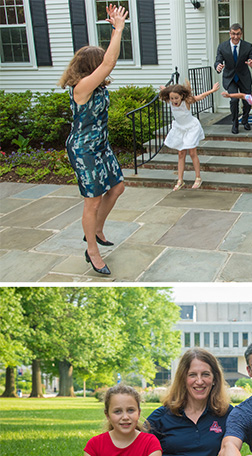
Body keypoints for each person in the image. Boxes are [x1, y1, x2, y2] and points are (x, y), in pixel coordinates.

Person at [57, 4, 129, 276]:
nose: (105, 66)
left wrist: (113, 29)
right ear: (91, 67)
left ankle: (97, 229)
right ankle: (92, 250)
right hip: (83, 149)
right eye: (99, 64)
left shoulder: (95, 84)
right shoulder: (82, 87)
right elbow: (109, 61)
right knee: (93, 200)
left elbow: (108, 60)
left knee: (118, 187)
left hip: (101, 146)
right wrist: (120, 28)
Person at [159, 82, 222, 190]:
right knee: (181, 153)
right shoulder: (170, 100)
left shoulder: (187, 101)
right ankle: (180, 180)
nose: (174, 101)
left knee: (192, 152)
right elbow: (164, 88)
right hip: (179, 128)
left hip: (191, 128)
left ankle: (198, 178)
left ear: (182, 96)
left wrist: (212, 90)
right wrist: (165, 89)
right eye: (172, 98)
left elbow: (200, 96)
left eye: (176, 98)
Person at [214, 23, 252, 135]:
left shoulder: (248, 46)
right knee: (234, 100)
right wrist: (218, 66)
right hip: (230, 78)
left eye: (238, 34)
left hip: (244, 77)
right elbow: (218, 61)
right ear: (230, 33)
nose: (235, 37)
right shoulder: (222, 47)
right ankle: (235, 123)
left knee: (247, 101)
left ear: (241, 34)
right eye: (233, 34)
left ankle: (245, 119)